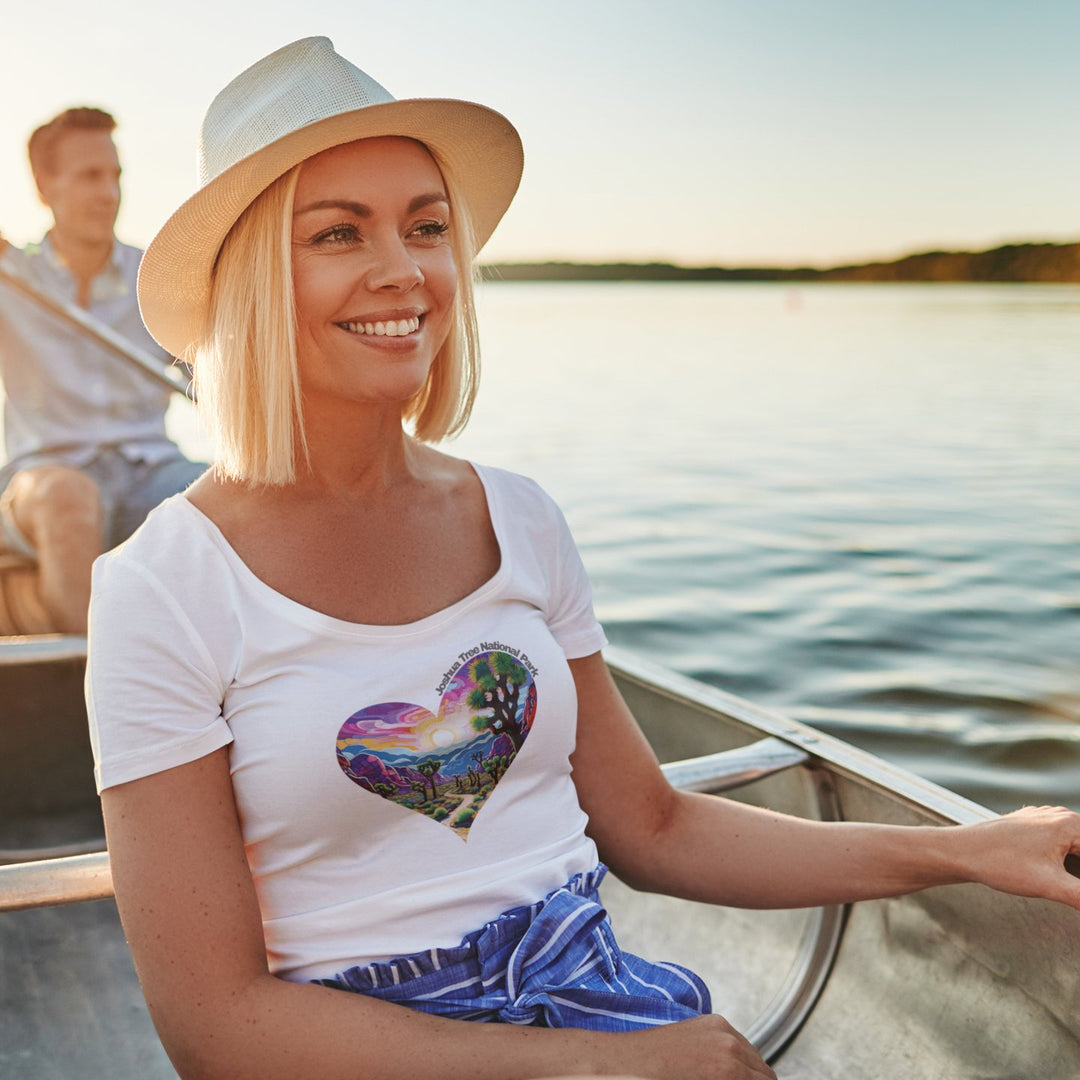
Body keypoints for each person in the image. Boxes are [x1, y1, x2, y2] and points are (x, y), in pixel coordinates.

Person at [86, 38, 1080, 1080]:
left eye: (427, 227)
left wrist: (964, 851)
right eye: (339, 234)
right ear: (250, 282)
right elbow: (215, 1026)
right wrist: (589, 1069)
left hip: (592, 994)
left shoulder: (518, 517)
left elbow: (650, 825)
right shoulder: (163, 587)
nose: (405, 268)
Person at [0, 106, 205, 634]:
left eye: (115, 176)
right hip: (44, 476)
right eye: (90, 176)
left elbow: (214, 372)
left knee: (238, 490)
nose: (108, 193)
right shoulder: (9, 277)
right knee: (69, 497)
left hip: (151, 470)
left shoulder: (157, 276)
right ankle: (77, 697)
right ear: (44, 186)